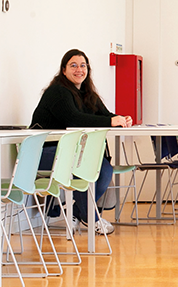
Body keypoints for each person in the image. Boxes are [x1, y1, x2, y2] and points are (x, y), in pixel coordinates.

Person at [31, 49, 133, 235]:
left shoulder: (86, 93)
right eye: (73, 65)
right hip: (44, 152)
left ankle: (76, 212)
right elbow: (74, 119)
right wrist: (110, 121)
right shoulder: (58, 92)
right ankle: (91, 218)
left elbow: (105, 115)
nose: (79, 69)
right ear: (64, 70)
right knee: (84, 169)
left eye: (83, 65)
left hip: (68, 153)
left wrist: (120, 118)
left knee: (104, 170)